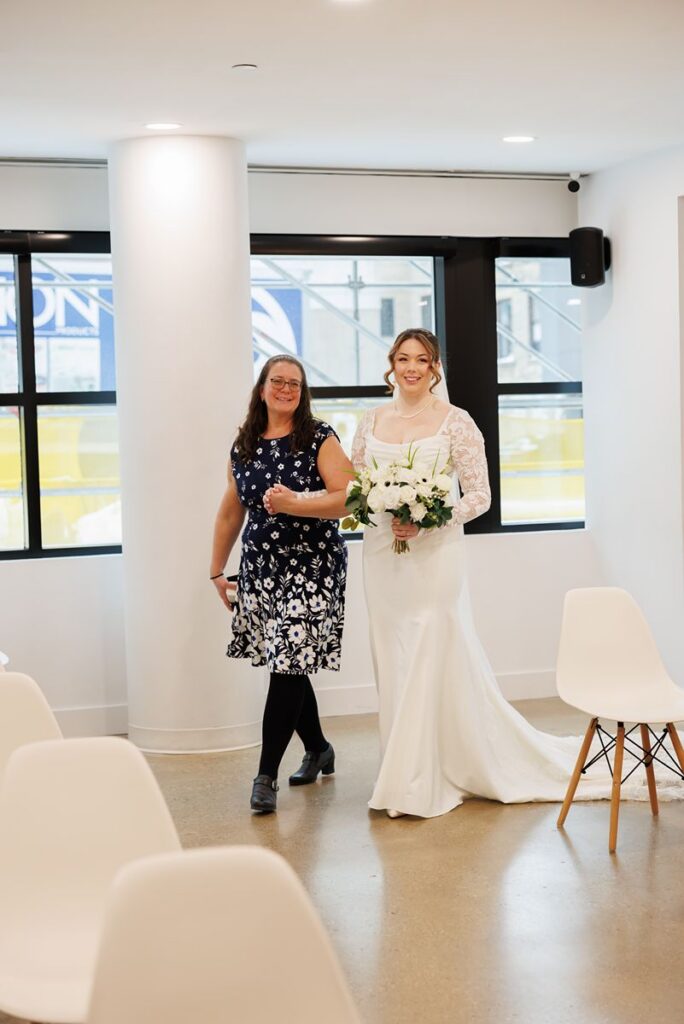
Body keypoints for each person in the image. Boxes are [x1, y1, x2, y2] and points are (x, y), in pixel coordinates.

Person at [352, 327, 679, 819]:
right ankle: (403, 766)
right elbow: (359, 485)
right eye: (403, 358)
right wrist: (382, 512)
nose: (412, 367)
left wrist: (429, 519)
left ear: (435, 367)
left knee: (429, 649)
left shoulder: (456, 422)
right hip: (381, 556)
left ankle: (422, 778)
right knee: (392, 656)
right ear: (391, 364)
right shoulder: (370, 420)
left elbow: (479, 497)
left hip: (434, 556)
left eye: (422, 359)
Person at [210, 355, 353, 813]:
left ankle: (265, 775)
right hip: (262, 567)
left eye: (295, 383)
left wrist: (293, 504)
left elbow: (348, 500)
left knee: (287, 664)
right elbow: (232, 510)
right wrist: (217, 570)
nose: (286, 389)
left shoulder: (318, 436)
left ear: (303, 391)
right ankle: (319, 748)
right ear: (262, 388)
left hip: (313, 565)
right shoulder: (245, 443)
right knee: (290, 661)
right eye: (278, 381)